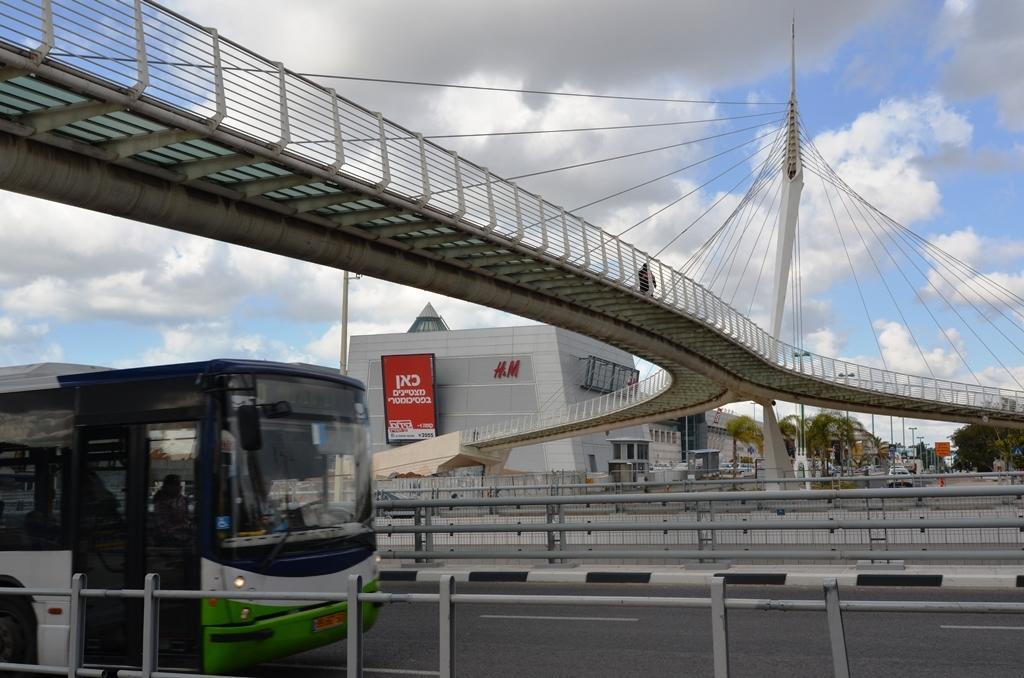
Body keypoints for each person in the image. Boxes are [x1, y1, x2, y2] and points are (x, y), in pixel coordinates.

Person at [153, 474, 190, 545]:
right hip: (167, 541)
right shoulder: (161, 503)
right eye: (176, 485)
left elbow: (185, 517)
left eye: (179, 485)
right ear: (168, 486)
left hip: (183, 538)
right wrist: (182, 528)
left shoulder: (182, 500)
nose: (179, 488)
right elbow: (162, 527)